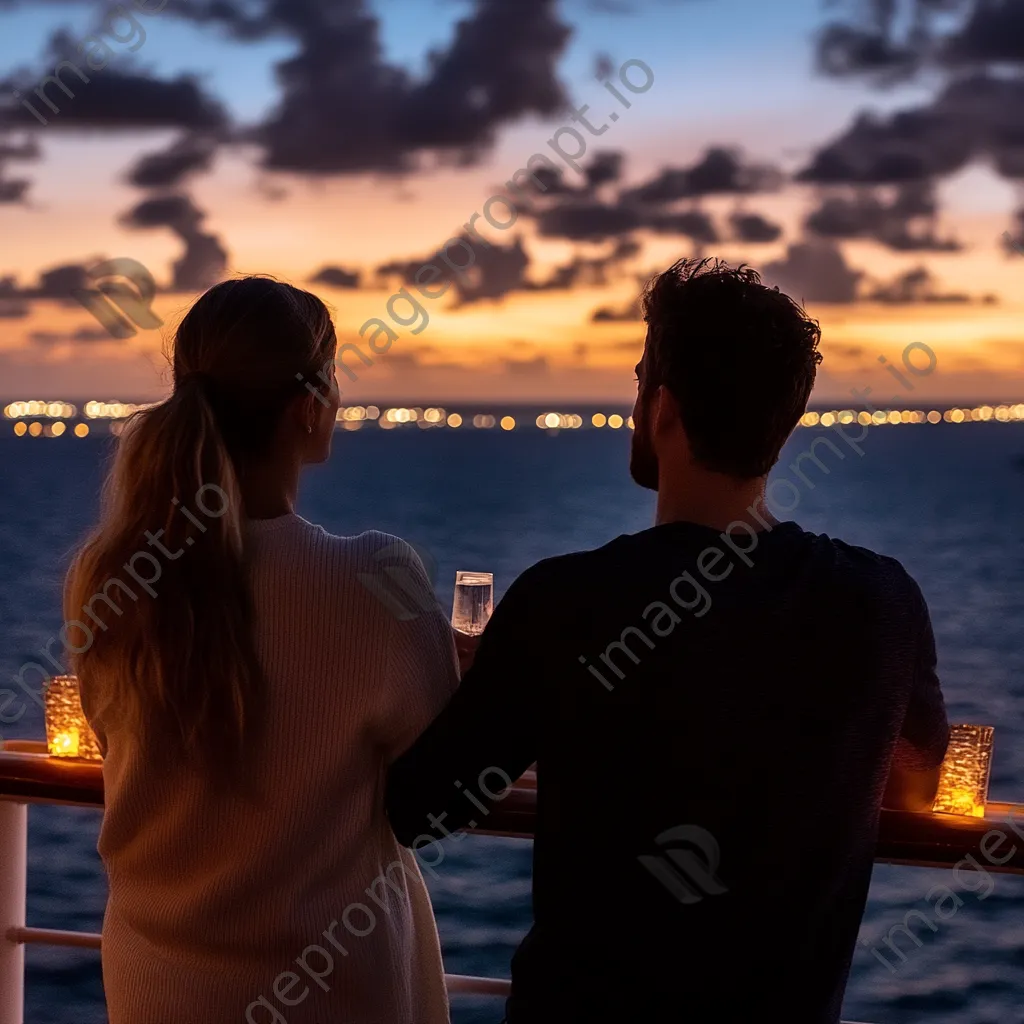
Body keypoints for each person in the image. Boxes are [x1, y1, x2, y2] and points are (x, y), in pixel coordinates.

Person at [386, 259, 950, 1023]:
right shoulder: (882, 602)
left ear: (663, 409)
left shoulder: (567, 602)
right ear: (782, 424)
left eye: (640, 376)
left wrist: (465, 685)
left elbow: (422, 808)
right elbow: (918, 784)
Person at [65, 277, 459, 1024]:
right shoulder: (375, 580)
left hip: (157, 993)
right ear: (309, 405)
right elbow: (443, 786)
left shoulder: (107, 578)